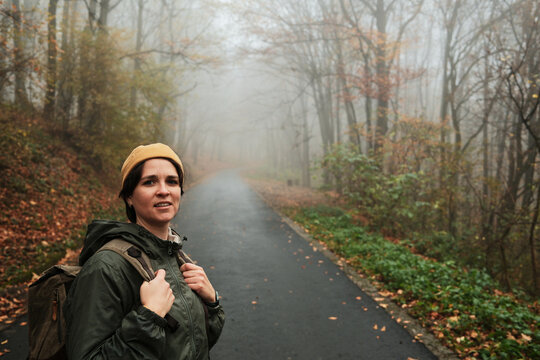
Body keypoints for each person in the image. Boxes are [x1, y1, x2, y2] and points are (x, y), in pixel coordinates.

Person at [65, 143, 225, 359]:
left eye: (172, 181)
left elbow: (191, 345)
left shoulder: (178, 258)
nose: (163, 190)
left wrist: (211, 305)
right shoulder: (106, 267)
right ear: (129, 196)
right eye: (149, 182)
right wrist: (149, 317)